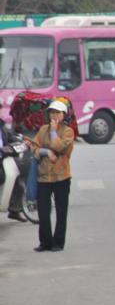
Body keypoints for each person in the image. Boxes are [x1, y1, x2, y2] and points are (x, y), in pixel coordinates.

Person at [26, 100, 75, 251]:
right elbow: (34, 147)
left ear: (63, 115)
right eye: (52, 112)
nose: (54, 115)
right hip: (44, 177)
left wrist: (54, 132)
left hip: (61, 177)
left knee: (61, 211)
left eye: (57, 113)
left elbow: (60, 147)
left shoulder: (68, 132)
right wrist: (45, 152)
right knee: (43, 211)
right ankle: (45, 242)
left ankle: (58, 243)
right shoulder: (42, 130)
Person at [1, 116, 27, 222]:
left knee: (18, 180)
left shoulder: (3, 127)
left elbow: (13, 138)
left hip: (3, 159)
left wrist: (19, 143)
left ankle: (14, 210)